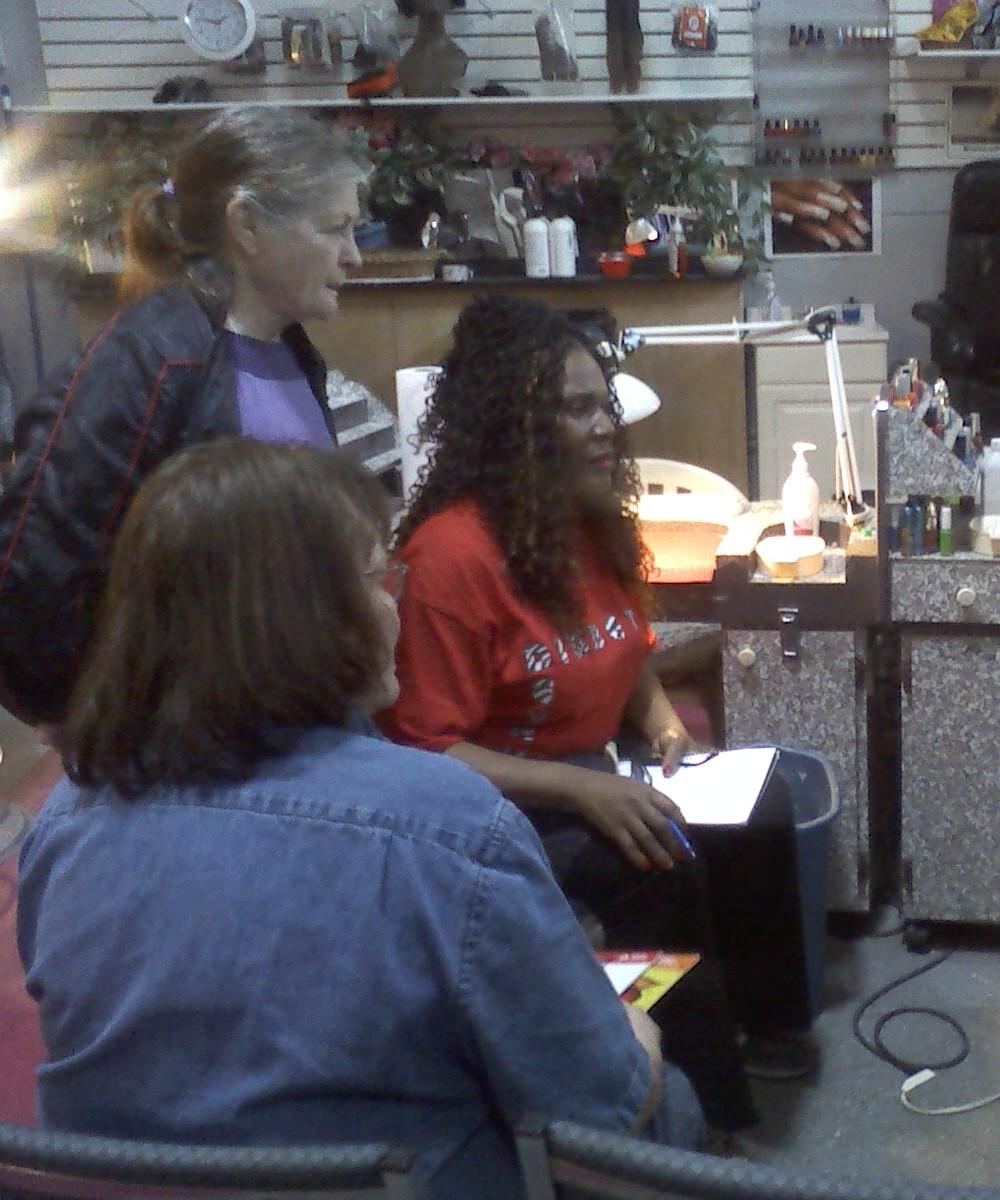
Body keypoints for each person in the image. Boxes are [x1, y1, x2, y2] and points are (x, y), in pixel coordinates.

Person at [16, 439, 704, 1199]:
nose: (395, 609)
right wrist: (634, 1034)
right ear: (306, 619)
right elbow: (600, 1104)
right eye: (381, 579)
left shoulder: (63, 823)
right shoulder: (452, 827)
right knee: (667, 1096)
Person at [378, 295, 813, 1111]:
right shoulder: (448, 559)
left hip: (591, 766)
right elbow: (427, 751)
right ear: (515, 428)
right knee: (655, 863)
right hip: (502, 799)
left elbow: (623, 648)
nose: (607, 426)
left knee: (764, 805)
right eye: (578, 410)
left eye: (603, 404)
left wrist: (659, 719)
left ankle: (769, 1025)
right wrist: (584, 788)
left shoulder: (581, 521)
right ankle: (694, 1093)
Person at [0, 105, 364, 728]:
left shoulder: (293, 352)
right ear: (247, 226)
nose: (353, 255)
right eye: (336, 228)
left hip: (291, 715)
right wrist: (107, 726)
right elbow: (34, 570)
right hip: (191, 737)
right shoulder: (150, 359)